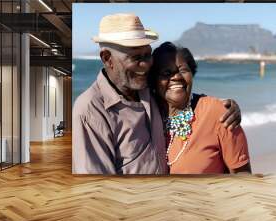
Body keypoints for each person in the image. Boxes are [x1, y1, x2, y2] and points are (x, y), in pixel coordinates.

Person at [72, 13, 242, 174]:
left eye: (147, 55)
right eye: (136, 58)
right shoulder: (90, 111)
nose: (146, 65)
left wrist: (222, 106)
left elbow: (179, 94)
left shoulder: (147, 89)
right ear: (108, 58)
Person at [149, 42, 250, 174]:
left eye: (183, 70)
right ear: (154, 81)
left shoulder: (221, 114)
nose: (177, 77)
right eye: (166, 73)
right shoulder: (146, 114)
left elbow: (243, 176)